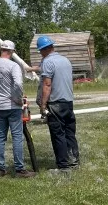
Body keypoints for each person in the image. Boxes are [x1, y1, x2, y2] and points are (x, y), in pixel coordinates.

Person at [0, 40, 35, 178]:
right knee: (17, 137)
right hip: (12, 106)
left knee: (1, 136)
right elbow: (18, 84)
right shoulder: (13, 65)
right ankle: (20, 169)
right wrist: (18, 99)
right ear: (12, 52)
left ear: (1, 49)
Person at [36, 35, 80, 172]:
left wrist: (43, 105)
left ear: (43, 50)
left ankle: (63, 165)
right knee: (69, 133)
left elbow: (47, 85)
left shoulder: (48, 62)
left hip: (55, 103)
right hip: (68, 102)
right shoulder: (65, 60)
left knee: (58, 134)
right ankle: (74, 161)